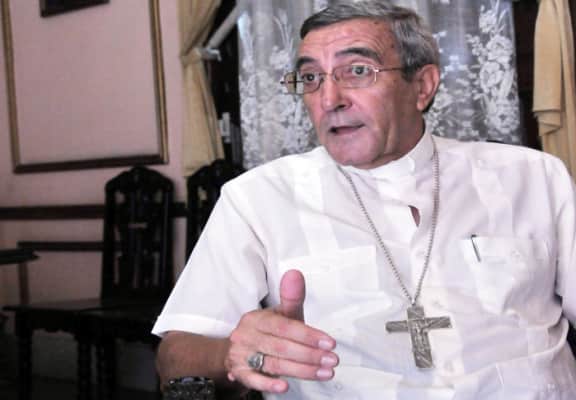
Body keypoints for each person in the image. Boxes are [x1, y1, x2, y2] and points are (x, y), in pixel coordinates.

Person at [153, 1, 576, 399]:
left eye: (357, 71)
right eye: (311, 78)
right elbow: (174, 357)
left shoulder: (533, 177)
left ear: (422, 85)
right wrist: (233, 351)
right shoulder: (258, 198)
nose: (329, 99)